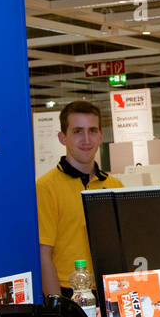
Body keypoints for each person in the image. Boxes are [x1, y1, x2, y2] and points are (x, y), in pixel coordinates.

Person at [36, 99, 123, 298]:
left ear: (101, 136)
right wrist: (57, 307)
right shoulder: (46, 187)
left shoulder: (115, 186)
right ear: (62, 137)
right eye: (77, 131)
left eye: (92, 131)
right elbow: (43, 254)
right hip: (69, 292)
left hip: (109, 289)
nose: (86, 139)